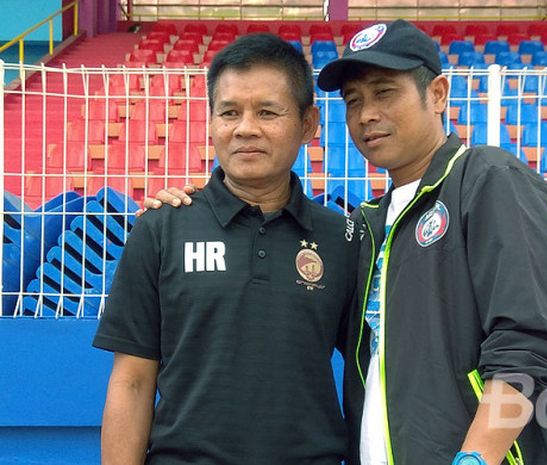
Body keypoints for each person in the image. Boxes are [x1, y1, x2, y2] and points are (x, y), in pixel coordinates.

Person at [145, 20, 547, 465]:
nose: (366, 114)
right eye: (354, 101)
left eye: (384, 93)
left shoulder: (486, 179)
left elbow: (530, 344)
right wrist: (202, 209)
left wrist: (478, 456)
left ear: (437, 94)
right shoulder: (366, 226)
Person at [93, 34, 364, 465]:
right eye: (230, 112)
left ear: (308, 124)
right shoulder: (162, 228)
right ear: (211, 121)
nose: (245, 128)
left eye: (267, 112)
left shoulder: (345, 237)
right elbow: (132, 381)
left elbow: (372, 370)